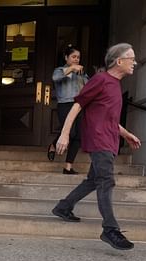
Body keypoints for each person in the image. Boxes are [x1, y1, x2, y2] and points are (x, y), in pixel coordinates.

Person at [51, 43, 142, 251]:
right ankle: (110, 229)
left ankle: (63, 207)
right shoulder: (101, 80)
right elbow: (78, 104)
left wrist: (127, 135)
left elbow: (110, 119)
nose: (134, 63)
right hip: (99, 139)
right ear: (119, 61)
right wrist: (64, 134)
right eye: (131, 58)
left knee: (94, 180)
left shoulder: (115, 86)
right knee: (106, 180)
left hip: (110, 139)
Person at [47, 45, 88, 175]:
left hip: (80, 106)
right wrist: (71, 69)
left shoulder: (82, 73)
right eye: (73, 57)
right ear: (66, 58)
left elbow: (90, 87)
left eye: (78, 57)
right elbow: (55, 78)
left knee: (79, 136)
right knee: (70, 132)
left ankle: (68, 166)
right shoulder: (60, 70)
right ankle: (53, 145)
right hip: (65, 104)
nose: (76, 59)